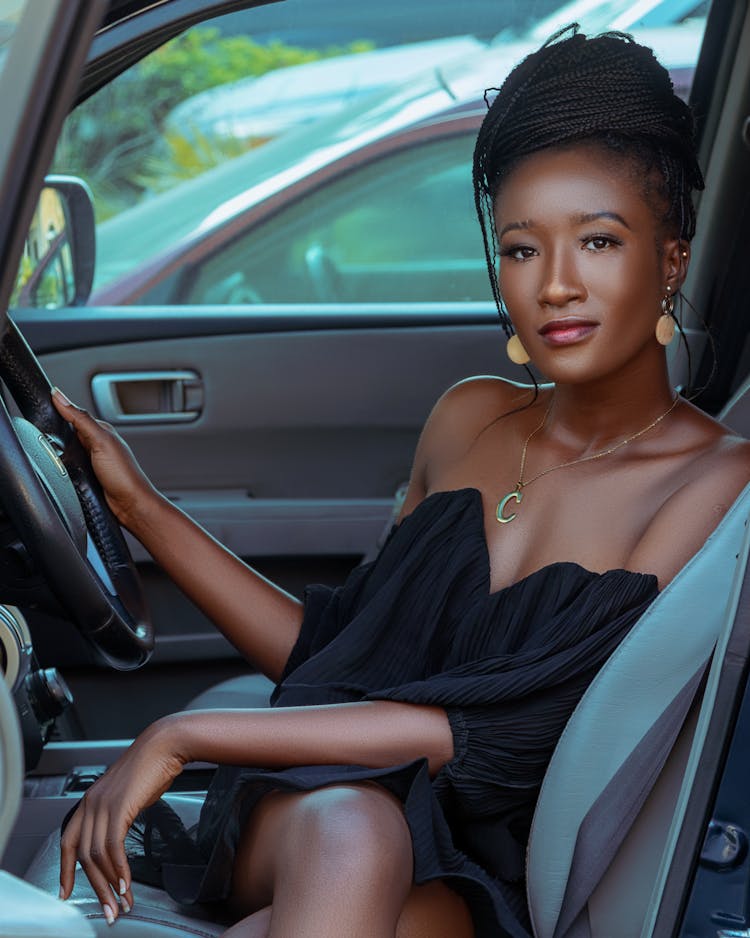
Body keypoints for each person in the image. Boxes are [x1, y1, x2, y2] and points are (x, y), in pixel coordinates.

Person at [53, 26, 750, 938]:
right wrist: (140, 507)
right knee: (352, 827)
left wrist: (181, 735)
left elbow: (496, 736)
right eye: (523, 249)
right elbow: (333, 661)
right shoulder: (468, 417)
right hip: (317, 808)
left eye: (600, 241)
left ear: (672, 259)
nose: (557, 287)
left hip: (480, 864)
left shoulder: (715, 482)